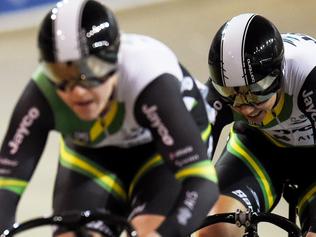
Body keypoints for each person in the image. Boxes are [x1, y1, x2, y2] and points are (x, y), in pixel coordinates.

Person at [0, 0, 220, 236]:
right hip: (92, 155)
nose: (76, 91)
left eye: (90, 71)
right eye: (60, 74)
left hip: (159, 153)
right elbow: (6, 184)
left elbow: (202, 183)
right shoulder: (42, 93)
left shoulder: (147, 78)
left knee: (149, 230)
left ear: (115, 59)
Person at [196, 13, 316, 237]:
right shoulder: (218, 91)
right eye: (230, 94)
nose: (246, 107)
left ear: (278, 74)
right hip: (259, 147)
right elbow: (190, 161)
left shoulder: (309, 73)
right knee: (212, 230)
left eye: (256, 93)